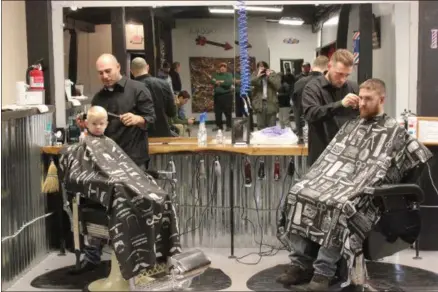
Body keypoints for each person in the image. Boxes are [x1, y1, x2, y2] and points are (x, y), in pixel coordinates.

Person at [276, 78, 433, 291]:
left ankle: (323, 273)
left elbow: (418, 156)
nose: (362, 104)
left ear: (382, 99)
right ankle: (301, 263)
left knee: (340, 206)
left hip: (367, 194)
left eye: (368, 99)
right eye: (361, 99)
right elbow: (334, 158)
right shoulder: (352, 125)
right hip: (339, 185)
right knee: (297, 193)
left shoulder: (395, 132)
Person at [70, 53, 156, 275]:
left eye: (108, 71)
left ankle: (139, 262)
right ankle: (93, 257)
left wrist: (138, 119)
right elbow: (98, 129)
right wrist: (87, 126)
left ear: (119, 67)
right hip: (105, 162)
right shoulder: (98, 98)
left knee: (134, 211)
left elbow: (152, 119)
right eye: (100, 73)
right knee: (98, 206)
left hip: (133, 160)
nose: (105, 76)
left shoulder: (138, 89)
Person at [302, 49, 359, 167]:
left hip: (347, 154)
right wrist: (340, 104)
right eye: (339, 74)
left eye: (347, 75)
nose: (343, 80)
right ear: (329, 66)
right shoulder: (313, 88)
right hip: (321, 152)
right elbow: (311, 114)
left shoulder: (353, 86)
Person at [131, 57, 176, 137]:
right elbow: (172, 112)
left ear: (131, 71)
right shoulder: (164, 84)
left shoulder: (129, 88)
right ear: (147, 67)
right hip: (163, 134)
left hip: (140, 137)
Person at [292, 55, 329, 140]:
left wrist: (300, 133)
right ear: (328, 67)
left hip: (304, 128)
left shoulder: (299, 82)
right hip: (322, 131)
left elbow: (297, 109)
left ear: (312, 67)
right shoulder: (327, 83)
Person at [250, 61, 281, 130]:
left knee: (272, 126)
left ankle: (271, 140)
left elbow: (278, 86)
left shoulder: (273, 74)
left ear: (266, 67)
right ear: (257, 68)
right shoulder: (255, 74)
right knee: (260, 126)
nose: (262, 68)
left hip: (271, 103)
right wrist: (258, 76)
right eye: (260, 67)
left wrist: (269, 76)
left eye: (263, 66)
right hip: (259, 103)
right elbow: (250, 82)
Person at [211, 63, 233, 132]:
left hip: (226, 96)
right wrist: (222, 82)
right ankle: (219, 126)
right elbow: (212, 81)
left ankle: (229, 126)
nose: (222, 68)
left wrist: (219, 82)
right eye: (221, 67)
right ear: (219, 68)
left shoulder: (229, 75)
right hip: (217, 96)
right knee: (217, 112)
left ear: (226, 69)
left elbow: (228, 83)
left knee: (228, 112)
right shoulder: (215, 75)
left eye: (224, 67)